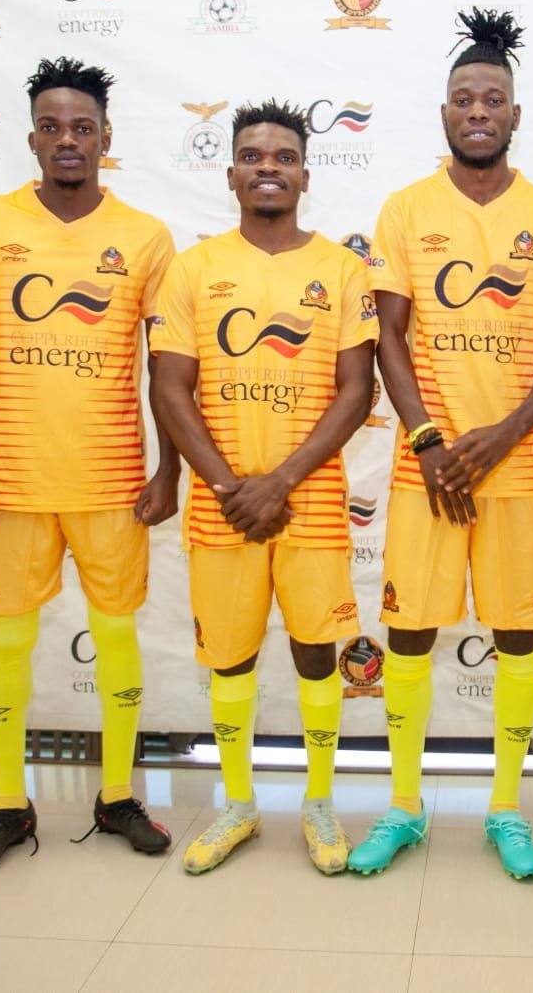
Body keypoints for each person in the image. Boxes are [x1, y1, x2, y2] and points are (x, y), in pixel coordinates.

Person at [347, 9, 533, 879]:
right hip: (428, 467)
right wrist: (429, 440)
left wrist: (505, 434)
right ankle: (405, 806)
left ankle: (506, 807)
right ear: (443, 113)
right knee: (408, 632)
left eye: (492, 99)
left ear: (515, 114)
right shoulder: (406, 209)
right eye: (462, 99)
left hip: (515, 469)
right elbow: (387, 335)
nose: (477, 111)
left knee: (517, 636)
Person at [0, 57, 178, 875]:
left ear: (106, 138)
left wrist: (169, 467)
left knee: (115, 636)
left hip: (112, 483)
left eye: (82, 127)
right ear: (32, 137)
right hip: (10, 480)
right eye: (51, 126)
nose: (67, 139)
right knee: (8, 640)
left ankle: (117, 796)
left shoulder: (145, 236)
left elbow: (167, 365)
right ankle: (9, 804)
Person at [150, 100, 377, 875]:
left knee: (316, 649)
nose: (268, 167)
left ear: (306, 175)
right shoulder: (194, 268)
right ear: (230, 175)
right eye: (252, 156)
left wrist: (279, 480)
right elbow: (170, 386)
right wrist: (228, 485)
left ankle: (318, 800)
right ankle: (239, 803)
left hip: (308, 500)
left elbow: (357, 389)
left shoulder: (342, 269)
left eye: (283, 156)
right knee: (230, 657)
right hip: (224, 506)